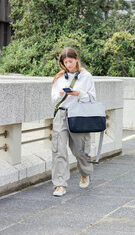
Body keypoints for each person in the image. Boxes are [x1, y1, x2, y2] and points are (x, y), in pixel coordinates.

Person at [51, 47, 96, 196]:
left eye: (70, 61)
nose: (68, 65)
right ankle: (60, 185)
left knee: (80, 149)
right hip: (61, 115)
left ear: (76, 59)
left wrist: (79, 93)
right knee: (59, 150)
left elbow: (92, 99)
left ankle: (85, 173)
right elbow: (53, 100)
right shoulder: (58, 78)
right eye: (65, 62)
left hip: (79, 114)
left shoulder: (86, 76)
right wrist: (60, 93)